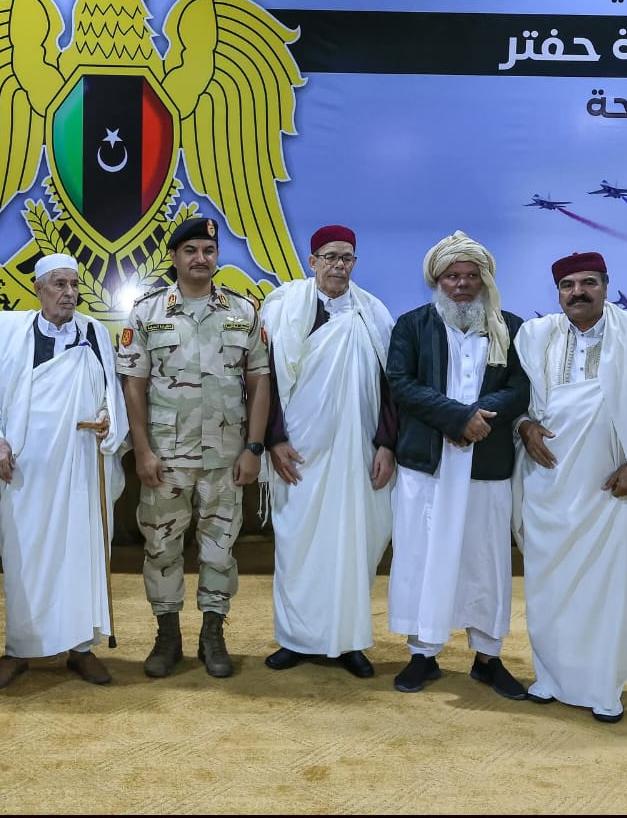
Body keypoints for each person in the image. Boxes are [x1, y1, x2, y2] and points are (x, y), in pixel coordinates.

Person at [514, 251, 627, 723]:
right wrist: (523, 426)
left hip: (610, 490)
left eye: (588, 282)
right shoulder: (534, 336)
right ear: (557, 292)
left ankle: (603, 688)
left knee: (607, 590)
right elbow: (517, 401)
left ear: (606, 286)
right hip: (549, 487)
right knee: (548, 588)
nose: (578, 292)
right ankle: (549, 678)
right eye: (568, 285)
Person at [116, 216, 270, 679]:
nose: (201, 258)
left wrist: (254, 447)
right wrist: (142, 450)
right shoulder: (147, 313)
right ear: (174, 258)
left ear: (216, 256)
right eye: (190, 250)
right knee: (161, 547)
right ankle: (167, 635)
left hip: (225, 457)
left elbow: (259, 382)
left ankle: (212, 634)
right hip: (166, 457)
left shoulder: (243, 312)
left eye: (208, 250)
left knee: (220, 549)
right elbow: (133, 386)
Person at [384, 230, 530, 699]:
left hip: (485, 464)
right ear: (437, 281)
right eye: (452, 277)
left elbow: (520, 387)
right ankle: (422, 655)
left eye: (471, 276)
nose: (462, 285)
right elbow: (400, 382)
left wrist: (477, 418)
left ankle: (487, 659)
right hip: (427, 465)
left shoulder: (510, 327)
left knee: (484, 560)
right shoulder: (412, 325)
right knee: (421, 556)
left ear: (485, 279)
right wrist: (456, 418)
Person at [0, 254, 129, 689]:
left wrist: (108, 419)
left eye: (74, 284)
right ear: (38, 288)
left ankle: (80, 648)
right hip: (24, 470)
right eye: (59, 284)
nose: (69, 293)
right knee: (24, 559)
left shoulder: (94, 332)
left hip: (81, 467)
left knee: (81, 554)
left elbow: (111, 393)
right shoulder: (7, 333)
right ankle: (19, 650)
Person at [260, 224, 397, 678]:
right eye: (330, 257)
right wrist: (274, 439)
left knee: (354, 544)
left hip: (359, 454)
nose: (339, 265)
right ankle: (296, 640)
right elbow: (265, 379)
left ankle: (348, 641)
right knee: (298, 546)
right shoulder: (283, 307)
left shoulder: (373, 313)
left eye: (347, 258)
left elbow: (391, 386)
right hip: (299, 453)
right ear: (312, 261)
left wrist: (386, 443)